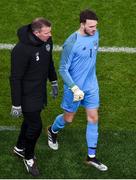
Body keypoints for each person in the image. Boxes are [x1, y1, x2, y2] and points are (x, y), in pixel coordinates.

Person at [47, 9, 108, 171]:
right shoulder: (71, 43)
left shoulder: (95, 34)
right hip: (73, 89)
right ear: (82, 24)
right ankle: (52, 130)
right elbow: (62, 69)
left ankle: (91, 157)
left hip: (91, 86)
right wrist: (74, 88)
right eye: (91, 26)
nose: (94, 29)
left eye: (95, 26)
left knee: (93, 118)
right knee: (68, 119)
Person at [10, 17, 58, 176]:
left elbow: (48, 61)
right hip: (26, 95)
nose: (50, 35)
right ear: (36, 33)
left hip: (39, 92)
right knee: (36, 126)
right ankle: (28, 157)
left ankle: (19, 148)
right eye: (47, 33)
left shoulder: (47, 42)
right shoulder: (21, 50)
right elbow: (15, 78)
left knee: (30, 122)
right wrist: (16, 104)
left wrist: (53, 80)